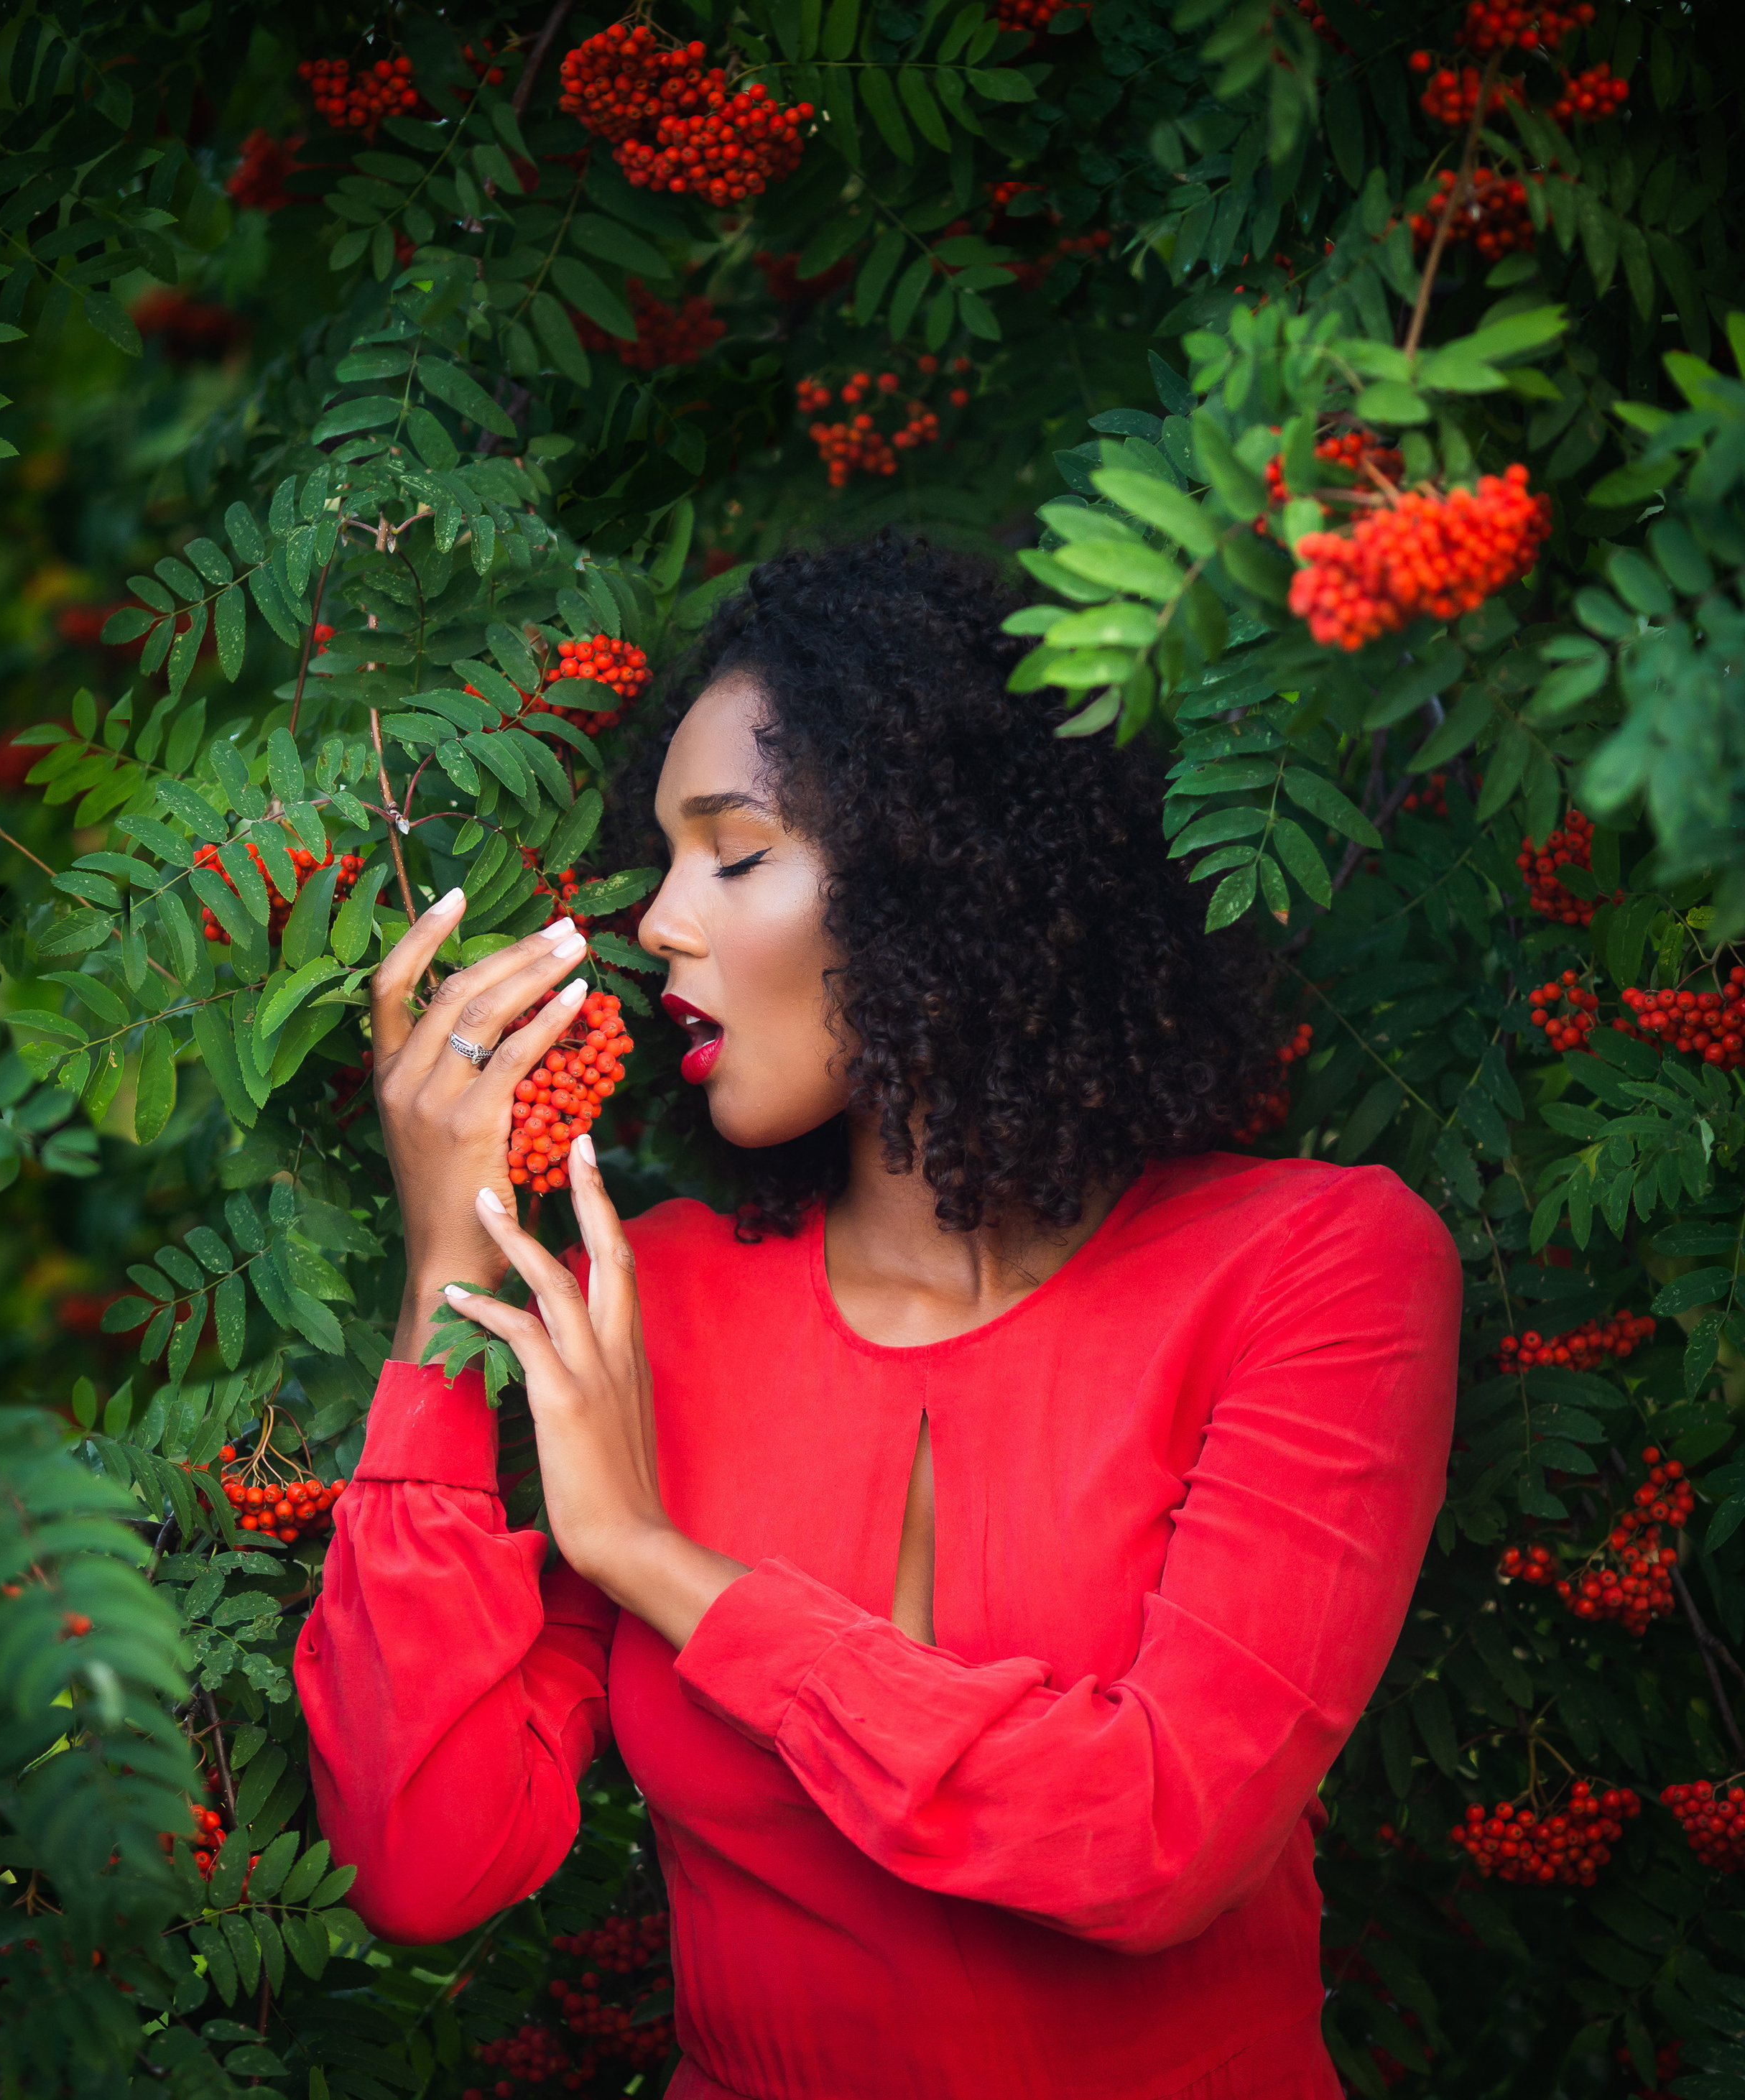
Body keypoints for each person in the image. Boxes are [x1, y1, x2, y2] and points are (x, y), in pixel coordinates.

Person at [295, 536, 1460, 2100]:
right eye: (659, 860)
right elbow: (426, 1862)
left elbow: (1156, 1834)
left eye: (733, 852)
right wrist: (448, 1284)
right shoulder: (654, 1294)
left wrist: (649, 1556)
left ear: (938, 870)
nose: (658, 925)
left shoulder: (1313, 1267)